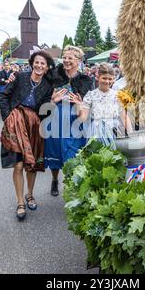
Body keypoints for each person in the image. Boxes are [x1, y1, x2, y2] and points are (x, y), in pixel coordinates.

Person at [0, 51, 55, 220]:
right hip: (15, 122)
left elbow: (44, 110)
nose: (39, 66)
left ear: (46, 68)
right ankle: (20, 201)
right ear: (32, 63)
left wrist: (52, 104)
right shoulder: (20, 77)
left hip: (33, 125)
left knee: (32, 164)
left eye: (43, 64)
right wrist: (7, 117)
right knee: (18, 165)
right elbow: (3, 95)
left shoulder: (47, 85)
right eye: (37, 62)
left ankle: (30, 194)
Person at [44, 46, 94, 196]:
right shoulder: (54, 75)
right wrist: (52, 99)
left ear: (78, 61)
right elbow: (43, 92)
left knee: (73, 152)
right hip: (56, 116)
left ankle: (72, 186)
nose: (66, 60)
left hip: (76, 118)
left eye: (70, 58)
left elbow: (88, 101)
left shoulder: (85, 80)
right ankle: (54, 179)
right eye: (64, 57)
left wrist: (80, 103)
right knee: (55, 150)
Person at [70, 63, 132, 148]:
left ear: (114, 79)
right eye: (104, 78)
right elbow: (83, 118)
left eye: (110, 79)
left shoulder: (118, 95)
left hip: (115, 131)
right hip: (97, 133)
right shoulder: (90, 95)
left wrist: (131, 134)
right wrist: (78, 105)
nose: (107, 81)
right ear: (97, 77)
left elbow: (124, 117)